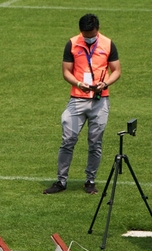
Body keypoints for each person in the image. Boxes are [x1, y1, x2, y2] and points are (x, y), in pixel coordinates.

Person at [44, 13, 121, 195]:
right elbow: (66, 72)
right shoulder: (72, 43)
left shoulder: (108, 44)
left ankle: (90, 181)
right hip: (77, 99)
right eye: (85, 36)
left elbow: (116, 70)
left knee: (95, 143)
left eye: (91, 36)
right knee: (67, 140)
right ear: (80, 31)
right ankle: (61, 181)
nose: (88, 39)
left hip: (100, 100)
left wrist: (105, 83)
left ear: (97, 29)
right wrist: (78, 84)